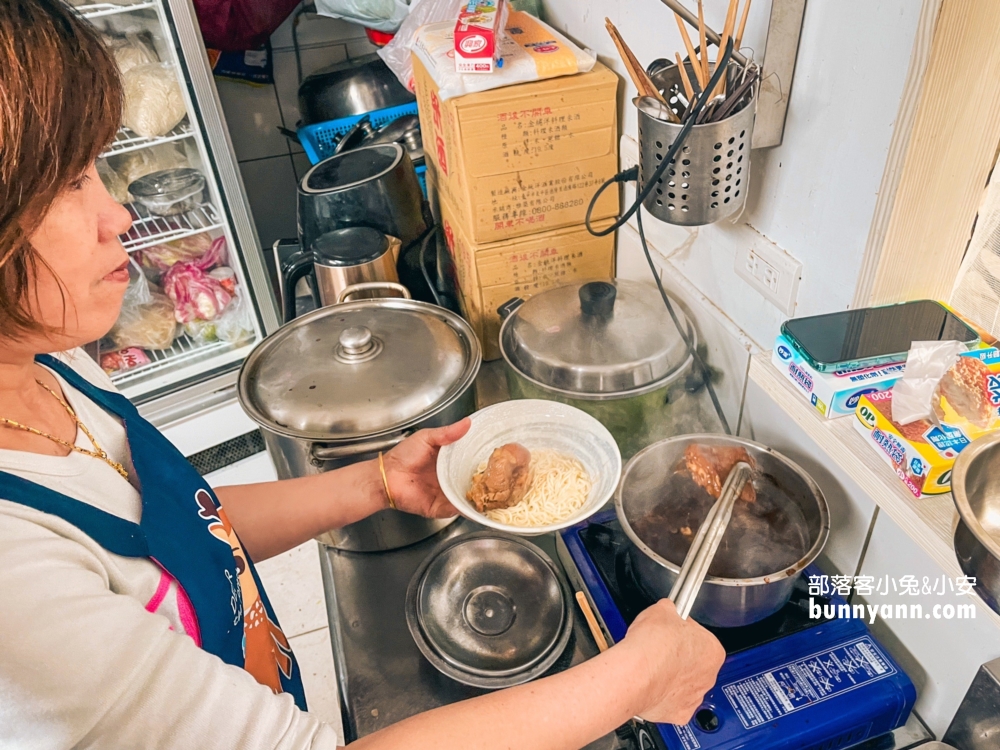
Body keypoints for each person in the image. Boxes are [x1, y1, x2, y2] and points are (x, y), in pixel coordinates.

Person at [0, 2, 726, 748]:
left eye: (96, 172)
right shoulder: (13, 578)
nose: (118, 215)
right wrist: (635, 679)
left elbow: (181, 528)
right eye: (68, 184)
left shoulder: (44, 359)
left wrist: (375, 483)